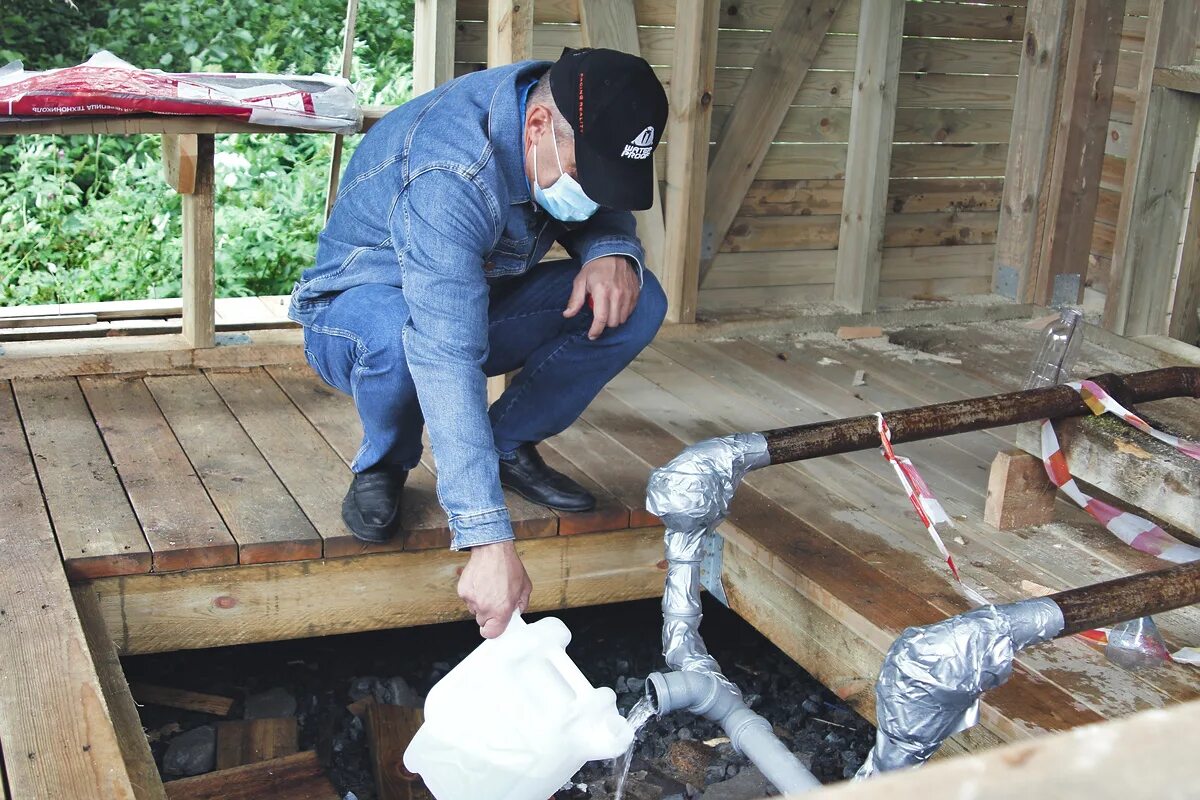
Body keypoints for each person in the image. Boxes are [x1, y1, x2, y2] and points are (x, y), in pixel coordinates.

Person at [288, 48, 669, 639]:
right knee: (400, 336)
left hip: (473, 296)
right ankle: (384, 464)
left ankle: (505, 445)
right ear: (537, 128)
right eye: (587, 178)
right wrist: (487, 537)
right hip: (359, 311)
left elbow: (602, 200)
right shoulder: (451, 172)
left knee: (635, 299)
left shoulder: (574, 100)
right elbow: (445, 350)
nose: (594, 195)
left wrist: (610, 250)